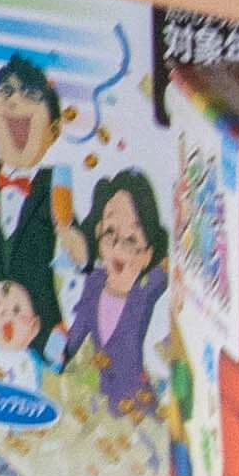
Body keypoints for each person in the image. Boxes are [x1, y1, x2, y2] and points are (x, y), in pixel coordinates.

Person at [0, 54, 79, 347]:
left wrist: (73, 241)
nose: (15, 101)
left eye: (31, 95)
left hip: (43, 334)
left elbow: (81, 256)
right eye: (6, 91)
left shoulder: (54, 184)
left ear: (54, 130)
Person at [55, 167, 167, 411]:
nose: (117, 248)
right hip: (104, 400)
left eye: (131, 240)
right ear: (98, 233)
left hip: (139, 402)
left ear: (147, 254)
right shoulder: (94, 284)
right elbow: (77, 332)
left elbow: (171, 267)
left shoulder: (144, 292)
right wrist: (56, 358)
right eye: (109, 233)